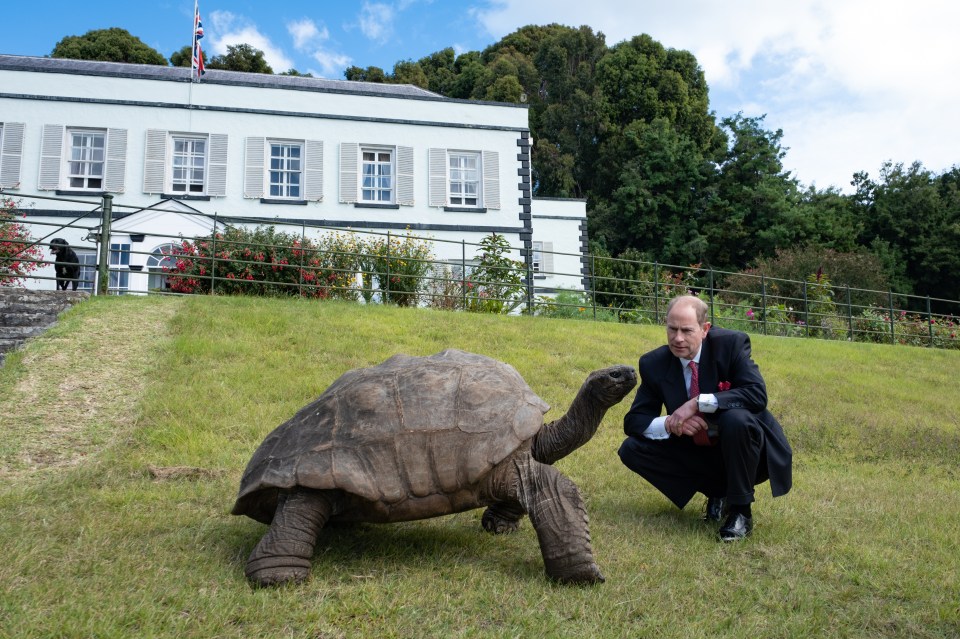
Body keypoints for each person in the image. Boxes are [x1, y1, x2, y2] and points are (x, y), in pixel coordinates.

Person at [618, 295, 792, 541]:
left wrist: (697, 403)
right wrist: (671, 422)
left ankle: (741, 510)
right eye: (672, 329)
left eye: (687, 330)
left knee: (735, 420)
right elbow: (634, 421)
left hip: (750, 452)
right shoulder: (654, 363)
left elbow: (756, 394)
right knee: (631, 449)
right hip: (700, 450)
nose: (678, 338)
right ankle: (716, 491)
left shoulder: (731, 345)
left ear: (705, 329)